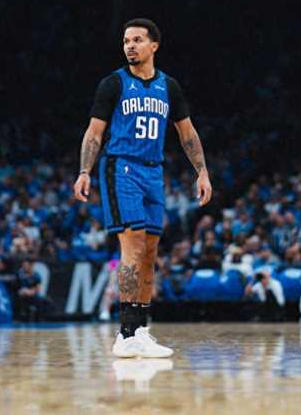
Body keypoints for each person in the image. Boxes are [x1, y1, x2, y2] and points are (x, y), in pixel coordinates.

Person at [74, 18, 212, 358]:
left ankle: (140, 330)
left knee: (150, 252)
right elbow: (94, 133)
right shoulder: (113, 84)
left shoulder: (169, 87)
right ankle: (125, 333)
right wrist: (84, 171)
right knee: (133, 245)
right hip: (121, 166)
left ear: (154, 45)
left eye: (137, 40)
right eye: (126, 41)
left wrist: (202, 172)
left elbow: (187, 133)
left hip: (153, 172)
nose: (130, 46)